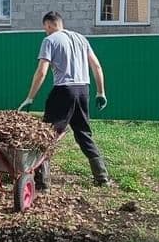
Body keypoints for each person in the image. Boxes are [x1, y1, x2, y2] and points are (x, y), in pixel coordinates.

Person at [18, 11, 112, 187]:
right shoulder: (81, 39)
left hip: (63, 91)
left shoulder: (50, 40)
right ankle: (102, 176)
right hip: (83, 90)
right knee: (83, 132)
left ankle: (42, 182)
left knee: (46, 135)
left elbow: (42, 71)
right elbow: (97, 66)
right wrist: (101, 92)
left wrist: (30, 97)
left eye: (45, 28)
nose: (45, 32)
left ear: (48, 25)